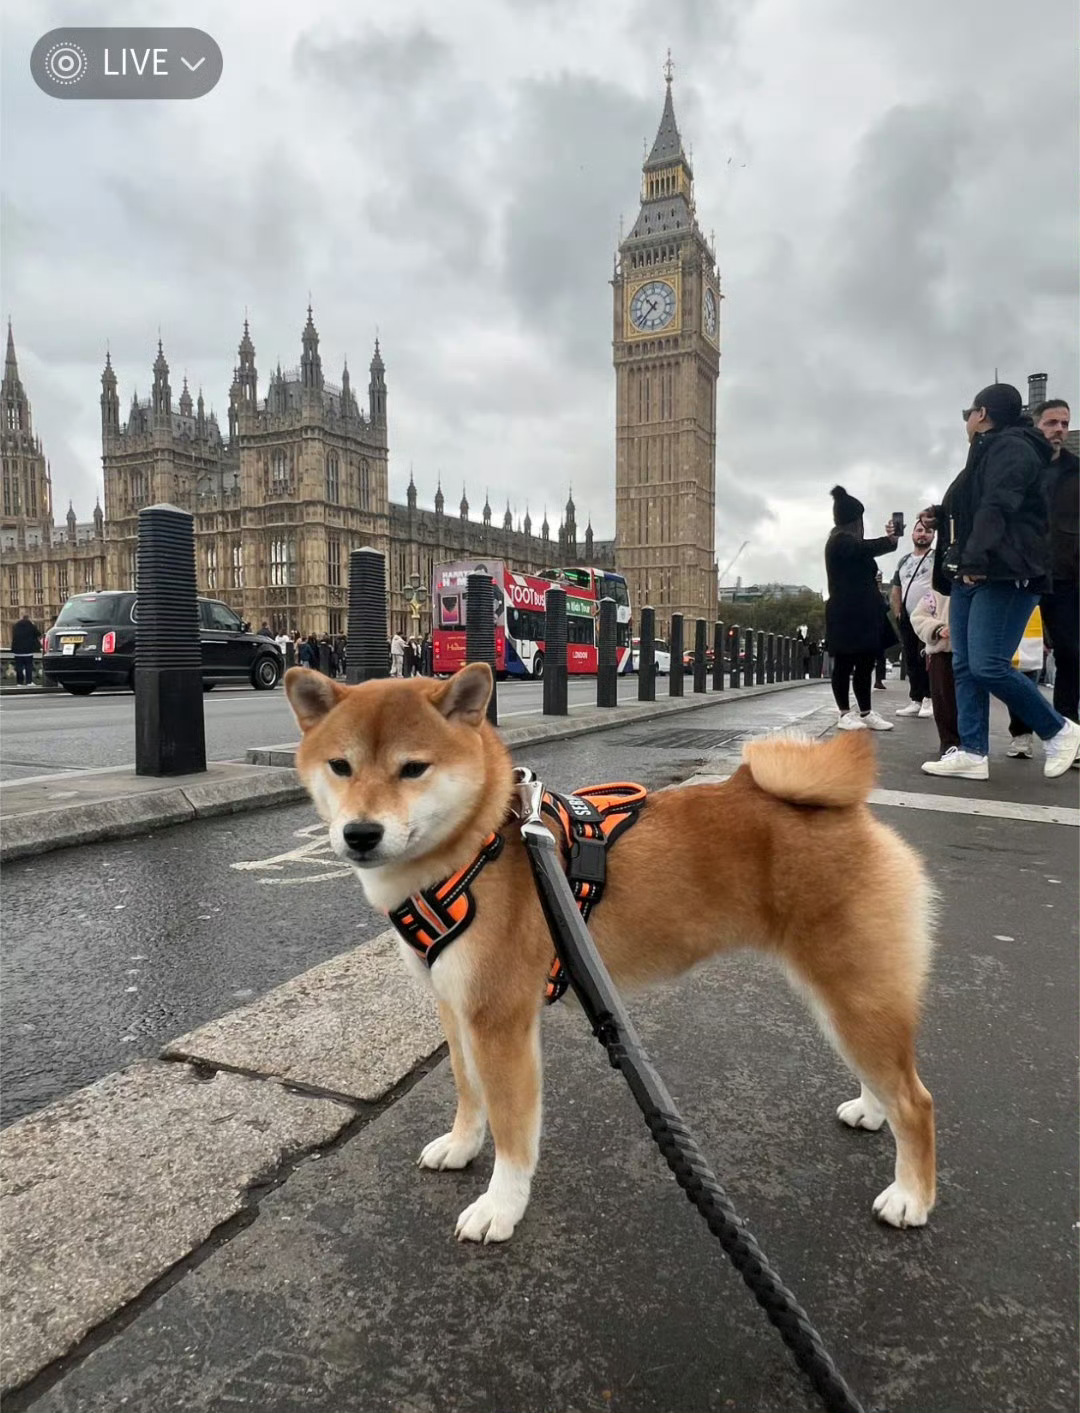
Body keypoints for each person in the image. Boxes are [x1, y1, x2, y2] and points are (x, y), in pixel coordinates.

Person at [919, 383, 1080, 780]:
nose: (966, 421)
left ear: (982, 414)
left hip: (1005, 571)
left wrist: (974, 558)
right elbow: (974, 504)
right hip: (974, 573)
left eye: (968, 413)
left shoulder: (1013, 448)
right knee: (965, 664)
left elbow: (999, 505)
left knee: (989, 665)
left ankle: (1060, 729)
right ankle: (973, 752)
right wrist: (942, 513)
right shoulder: (986, 450)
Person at [824, 486, 898, 731]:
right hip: (846, 614)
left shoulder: (849, 542)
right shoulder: (839, 541)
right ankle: (845, 713)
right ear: (855, 520)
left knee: (866, 662)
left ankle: (865, 711)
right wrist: (889, 541)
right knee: (845, 663)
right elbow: (864, 548)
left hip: (865, 613)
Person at [1033, 398, 1078, 725]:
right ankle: (1020, 731)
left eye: (1064, 423)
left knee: (1071, 653)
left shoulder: (1077, 471)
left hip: (1066, 577)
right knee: (1014, 659)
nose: (1059, 429)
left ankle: (1068, 729)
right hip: (1022, 575)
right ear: (1037, 425)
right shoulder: (1021, 466)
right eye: (1052, 423)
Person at [889, 518, 936, 718]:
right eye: (919, 530)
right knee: (911, 659)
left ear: (934, 535)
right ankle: (915, 698)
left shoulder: (937, 558)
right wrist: (898, 612)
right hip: (908, 618)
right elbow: (896, 588)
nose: (923, 534)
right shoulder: (904, 561)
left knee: (926, 657)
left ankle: (929, 698)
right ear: (912, 534)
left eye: (928, 531)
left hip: (929, 617)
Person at [910, 588, 960, 757]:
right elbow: (918, 617)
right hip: (941, 652)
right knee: (943, 699)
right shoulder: (934, 595)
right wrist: (937, 629)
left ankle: (971, 743)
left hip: (968, 651)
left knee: (968, 699)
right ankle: (949, 742)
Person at [10, 611, 41, 686]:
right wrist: (33, 625)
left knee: (19, 667)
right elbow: (38, 634)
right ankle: (29, 682)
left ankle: (19, 682)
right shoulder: (31, 625)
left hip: (17, 650)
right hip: (28, 650)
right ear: (28, 618)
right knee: (28, 666)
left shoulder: (15, 625)